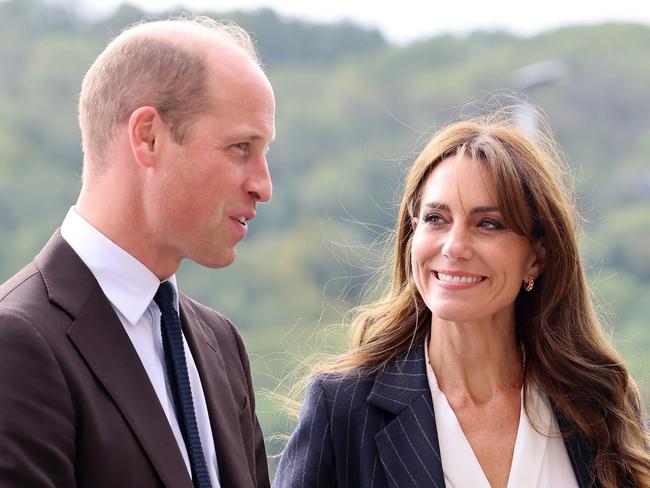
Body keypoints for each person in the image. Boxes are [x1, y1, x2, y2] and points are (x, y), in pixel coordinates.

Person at [274, 110, 650, 488]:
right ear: (411, 236)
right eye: (436, 219)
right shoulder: (343, 408)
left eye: (488, 224)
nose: (454, 247)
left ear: (536, 257)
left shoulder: (596, 404)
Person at [0, 16, 274, 488]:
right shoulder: (18, 343)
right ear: (148, 136)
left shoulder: (220, 343)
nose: (263, 186)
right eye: (240, 147)